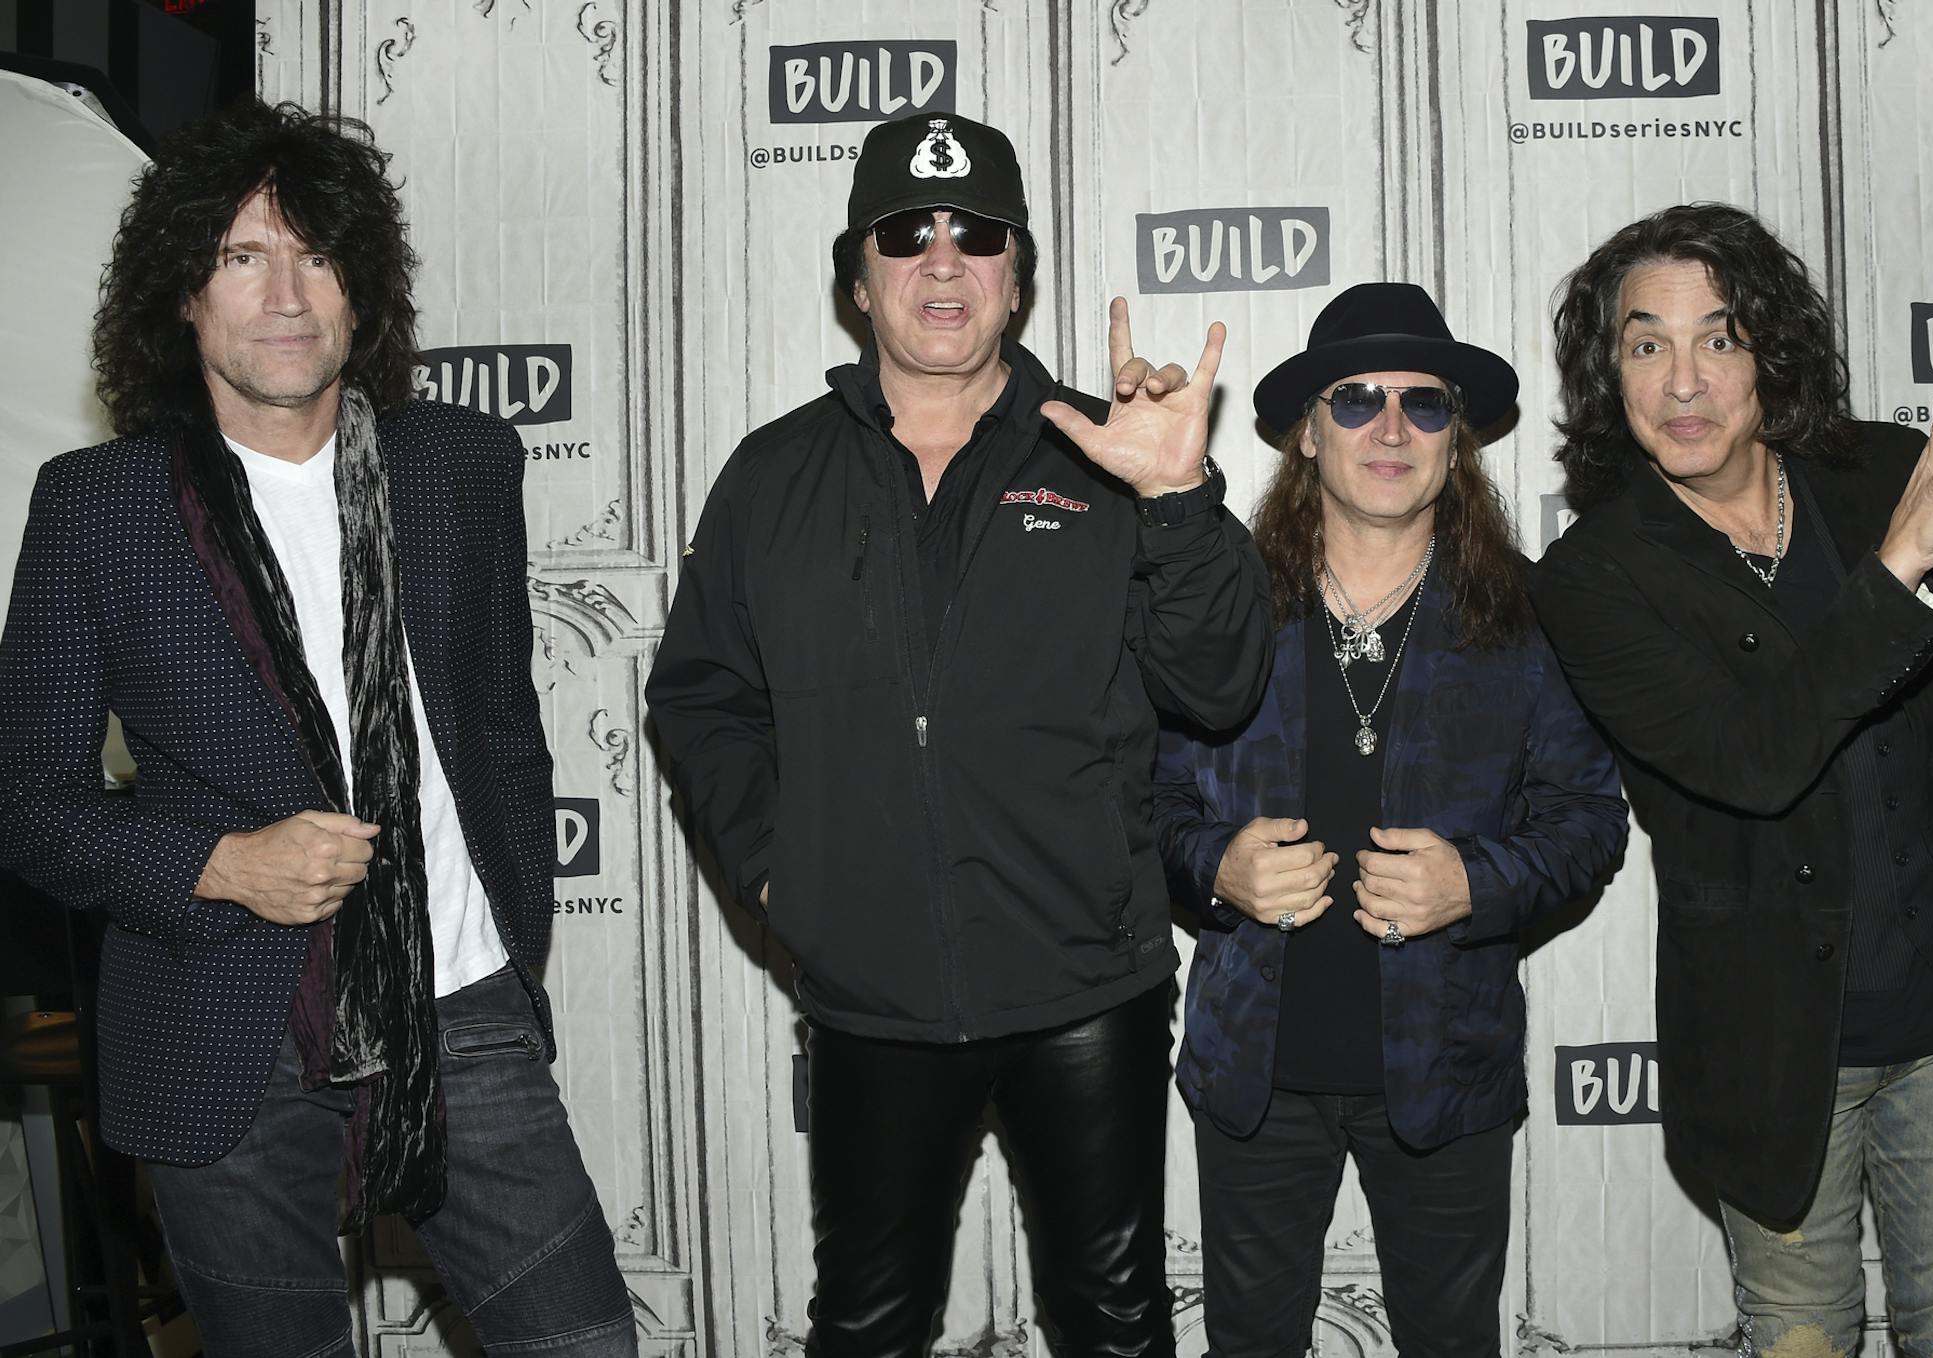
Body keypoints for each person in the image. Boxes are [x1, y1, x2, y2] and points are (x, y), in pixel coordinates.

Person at [0, 100, 633, 1355]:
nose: (286, 293)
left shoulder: (459, 465)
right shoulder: (95, 506)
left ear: (364, 287)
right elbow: (26, 799)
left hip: (461, 1007)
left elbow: (502, 727)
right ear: (183, 296)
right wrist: (221, 863)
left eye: (317, 252)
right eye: (243, 256)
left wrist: (510, 953)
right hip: (220, 1028)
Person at [645, 110, 1272, 1357]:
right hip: (871, 990)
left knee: (1115, 1318)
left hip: (1087, 981)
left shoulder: (1114, 452)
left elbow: (1221, 680)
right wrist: (782, 867)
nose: (943, 261)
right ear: (858, 278)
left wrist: (1178, 500)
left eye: (977, 235)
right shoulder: (772, 477)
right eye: (906, 233)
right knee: (868, 1325)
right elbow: (699, 695)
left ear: (1018, 277)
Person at [1531, 202, 1933, 1355]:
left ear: (1772, 354)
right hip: (1775, 1040)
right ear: (1613, 373)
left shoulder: (1883, 473)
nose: (1684, 380)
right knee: (1801, 1337)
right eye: (1647, 343)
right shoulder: (1595, 576)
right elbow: (1752, 761)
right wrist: (1896, 575)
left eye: (1720, 336)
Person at [1152, 282, 1626, 1357]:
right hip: (1253, 1076)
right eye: (1356, 398)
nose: (1391, 426)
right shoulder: (1225, 612)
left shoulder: (1524, 616)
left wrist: (1478, 883)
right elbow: (1148, 804)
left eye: (1424, 403)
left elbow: (1589, 819)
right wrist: (1215, 865)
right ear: (1307, 433)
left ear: (1457, 441)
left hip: (1445, 1071)